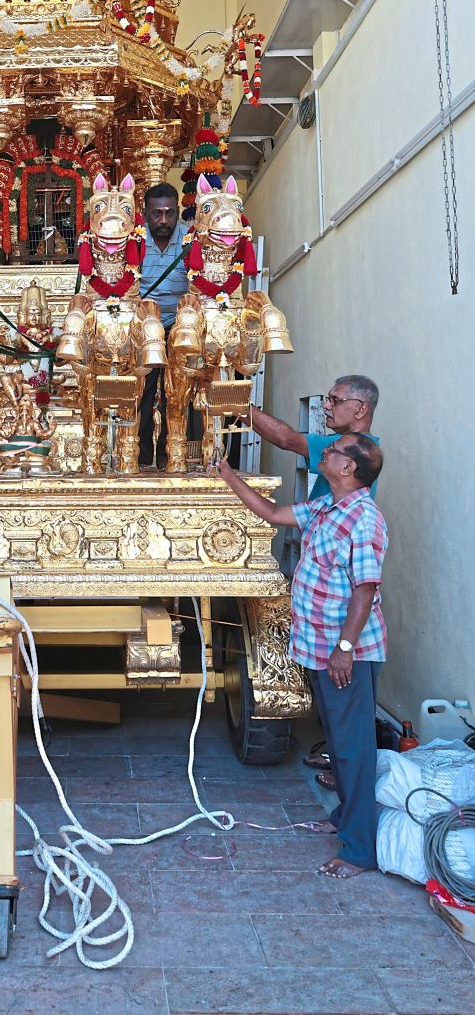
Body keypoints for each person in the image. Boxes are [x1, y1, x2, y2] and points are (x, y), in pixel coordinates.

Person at [213, 432, 387, 879]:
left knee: (352, 749)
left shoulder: (364, 519)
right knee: (338, 742)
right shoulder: (328, 506)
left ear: (349, 467)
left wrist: (344, 648)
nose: (325, 451)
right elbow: (273, 514)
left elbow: (365, 591)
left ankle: (359, 851)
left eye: (334, 450)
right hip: (319, 648)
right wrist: (228, 475)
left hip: (345, 653)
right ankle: (345, 818)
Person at [247, 374, 380, 499]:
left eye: (336, 400)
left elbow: (286, 439)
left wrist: (240, 406)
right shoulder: (367, 446)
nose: (326, 405)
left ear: (361, 409)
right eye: (328, 399)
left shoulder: (349, 447)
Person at [137, 183, 188, 468]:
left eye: (169, 213)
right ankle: (142, 457)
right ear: (146, 213)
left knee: (176, 392)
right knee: (142, 391)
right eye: (157, 214)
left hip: (180, 323)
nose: (164, 220)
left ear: (177, 211)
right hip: (145, 323)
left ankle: (171, 456)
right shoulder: (134, 239)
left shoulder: (190, 238)